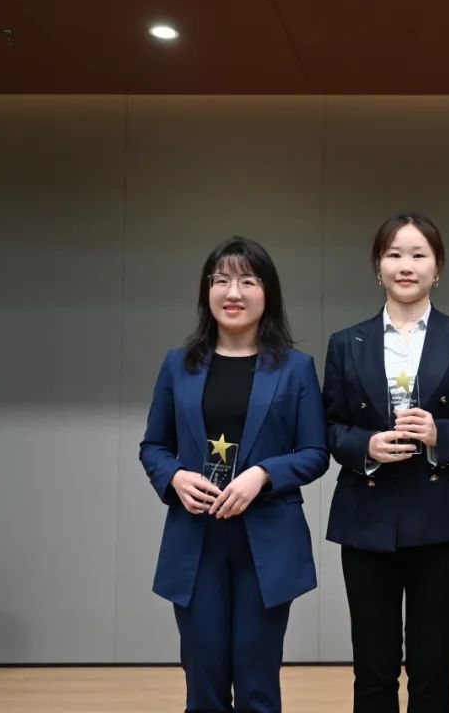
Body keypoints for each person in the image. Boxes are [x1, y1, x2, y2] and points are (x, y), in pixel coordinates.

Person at [139, 236, 329, 713]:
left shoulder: (296, 369)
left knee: (257, 682)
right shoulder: (178, 365)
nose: (233, 292)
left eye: (248, 281)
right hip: (196, 540)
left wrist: (263, 474)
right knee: (203, 680)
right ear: (207, 291)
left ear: (269, 293)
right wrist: (175, 477)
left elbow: (315, 453)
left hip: (266, 543)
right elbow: (154, 446)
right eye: (221, 280)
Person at [324, 213, 449, 713]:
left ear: (438, 268)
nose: (406, 265)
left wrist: (442, 434)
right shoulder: (346, 342)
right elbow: (329, 426)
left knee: (432, 665)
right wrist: (366, 448)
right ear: (378, 266)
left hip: (440, 517)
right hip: (366, 517)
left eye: (419, 255)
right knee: (372, 666)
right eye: (394, 254)